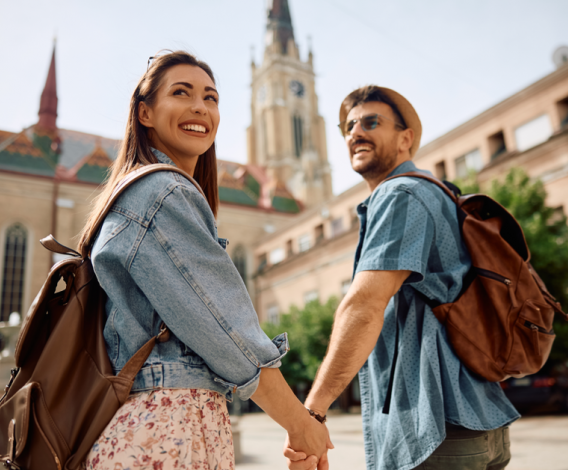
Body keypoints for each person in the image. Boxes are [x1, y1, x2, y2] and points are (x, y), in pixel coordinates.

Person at [79, 51, 332, 470]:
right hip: (164, 426)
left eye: (211, 98)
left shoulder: (143, 191)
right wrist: (299, 424)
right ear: (144, 112)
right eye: (182, 92)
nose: (201, 106)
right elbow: (226, 327)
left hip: (165, 422)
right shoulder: (162, 192)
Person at [286, 86, 519, 470]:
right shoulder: (436, 192)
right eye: (349, 126)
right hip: (474, 421)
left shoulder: (401, 194)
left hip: (437, 430)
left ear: (405, 138)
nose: (356, 133)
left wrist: (312, 411)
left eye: (371, 122)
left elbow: (364, 306)